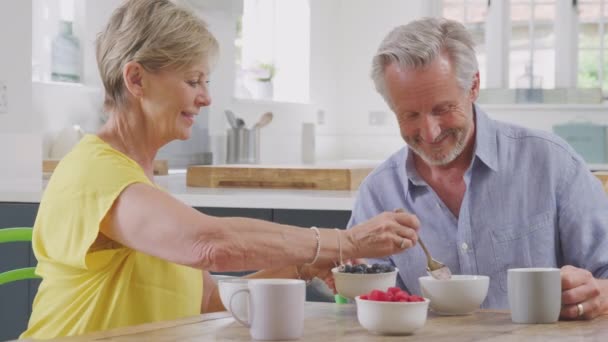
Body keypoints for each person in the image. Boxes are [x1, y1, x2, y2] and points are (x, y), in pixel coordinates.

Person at [21, 0, 421, 338]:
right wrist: (345, 243)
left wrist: (298, 266)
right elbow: (207, 245)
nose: (206, 98)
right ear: (136, 79)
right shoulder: (93, 172)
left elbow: (210, 303)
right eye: (194, 80)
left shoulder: (141, 181)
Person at [348, 17, 608, 320]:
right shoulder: (378, 193)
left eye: (442, 109)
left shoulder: (551, 164)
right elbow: (362, 295)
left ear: (473, 86)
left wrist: (598, 295)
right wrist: (342, 277)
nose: (430, 133)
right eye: (410, 115)